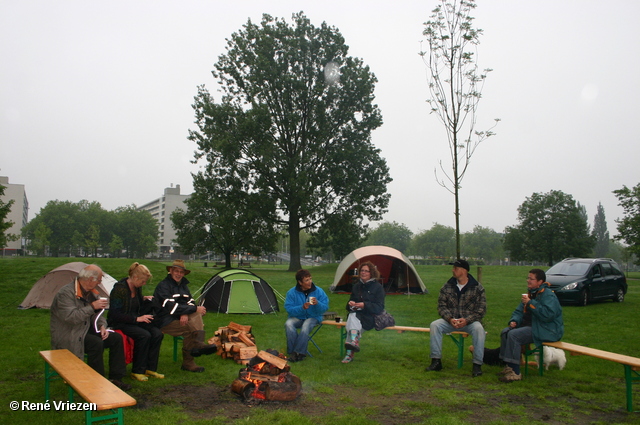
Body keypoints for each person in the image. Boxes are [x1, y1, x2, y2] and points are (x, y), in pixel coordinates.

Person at [50, 264, 131, 391]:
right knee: (96, 343)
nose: (99, 282)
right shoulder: (65, 294)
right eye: (99, 280)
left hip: (86, 329)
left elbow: (99, 315)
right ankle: (97, 382)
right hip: (70, 334)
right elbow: (71, 318)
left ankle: (116, 378)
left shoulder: (91, 293)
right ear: (90, 280)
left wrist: (102, 326)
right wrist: (92, 306)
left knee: (115, 338)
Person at [498, 268, 564, 382]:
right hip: (533, 327)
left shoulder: (548, 295)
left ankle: (515, 373)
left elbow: (547, 315)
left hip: (547, 330)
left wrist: (530, 303)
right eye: (528, 278)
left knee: (514, 335)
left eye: (531, 279)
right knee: (506, 332)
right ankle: (509, 366)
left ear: (540, 282)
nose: (528, 281)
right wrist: (514, 321)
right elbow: (518, 312)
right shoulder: (531, 294)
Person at [153, 259, 217, 373]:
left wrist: (185, 313)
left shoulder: (183, 286)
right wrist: (190, 310)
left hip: (177, 318)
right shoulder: (163, 286)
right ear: (171, 271)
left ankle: (190, 359)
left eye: (181, 272)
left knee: (194, 317)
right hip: (164, 320)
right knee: (192, 326)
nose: (179, 274)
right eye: (176, 271)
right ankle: (197, 347)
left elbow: (190, 302)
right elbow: (171, 308)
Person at [427, 259, 486, 377]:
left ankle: (477, 365)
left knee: (479, 329)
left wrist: (467, 320)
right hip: (450, 321)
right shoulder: (447, 286)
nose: (453, 270)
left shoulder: (477, 288)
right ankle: (436, 361)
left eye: (456, 268)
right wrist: (450, 319)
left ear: (464, 271)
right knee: (435, 325)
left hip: (470, 322)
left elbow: (481, 310)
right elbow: (441, 306)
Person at [108, 262, 164, 382]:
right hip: (120, 322)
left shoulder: (137, 287)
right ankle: (137, 370)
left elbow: (135, 305)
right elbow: (115, 314)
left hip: (134, 319)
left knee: (157, 333)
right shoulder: (119, 290)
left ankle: (150, 368)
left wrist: (144, 299)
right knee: (144, 335)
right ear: (134, 278)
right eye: (142, 281)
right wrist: (136, 319)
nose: (143, 284)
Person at [341, 261, 385, 364]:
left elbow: (380, 307)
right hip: (357, 315)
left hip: (370, 317)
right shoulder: (356, 286)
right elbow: (348, 305)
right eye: (362, 270)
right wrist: (350, 304)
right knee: (352, 317)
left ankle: (350, 353)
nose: (363, 273)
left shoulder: (378, 287)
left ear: (371, 273)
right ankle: (354, 341)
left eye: (366, 271)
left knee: (351, 324)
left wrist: (365, 305)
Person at [284, 269, 329, 362]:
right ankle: (293, 352)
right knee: (288, 324)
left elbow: (325, 308)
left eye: (310, 279)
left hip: (313, 317)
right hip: (298, 317)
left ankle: (298, 353)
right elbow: (289, 309)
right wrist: (302, 307)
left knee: (306, 325)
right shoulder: (292, 293)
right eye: (307, 280)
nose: (310, 282)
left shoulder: (319, 291)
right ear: (300, 282)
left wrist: (318, 303)